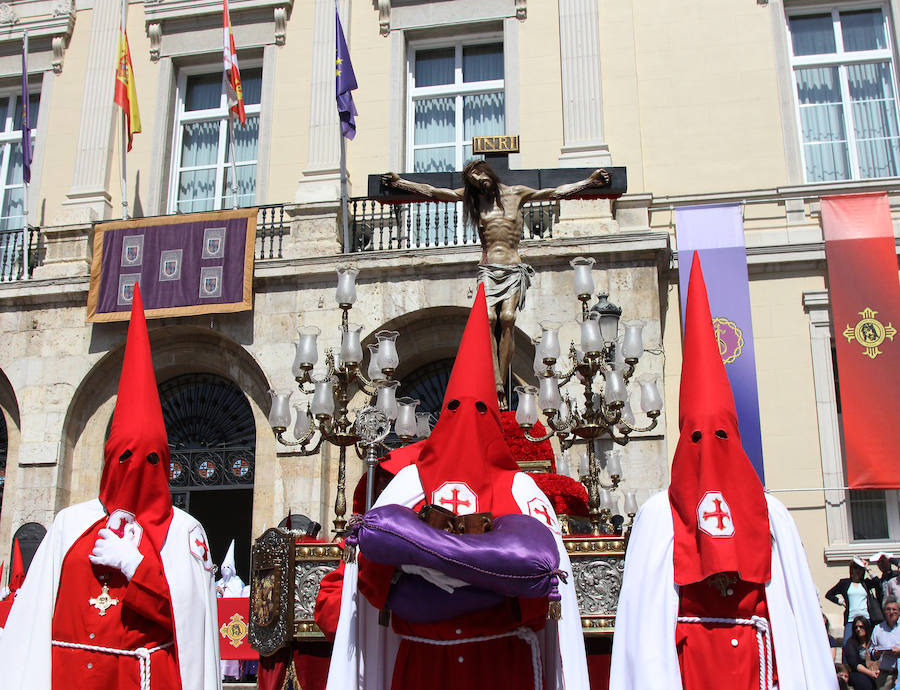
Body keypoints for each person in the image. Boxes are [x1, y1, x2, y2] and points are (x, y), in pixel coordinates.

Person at [325, 284, 589, 690]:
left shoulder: (521, 491)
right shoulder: (408, 485)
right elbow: (370, 577)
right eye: (455, 409)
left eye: (480, 410)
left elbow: (548, 587)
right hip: (422, 662)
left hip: (502, 664)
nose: (467, 421)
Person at [609, 252, 837, 690]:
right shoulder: (660, 516)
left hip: (761, 666)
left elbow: (795, 615)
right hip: (688, 668)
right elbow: (645, 625)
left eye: (719, 437)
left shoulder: (771, 515)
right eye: (696, 438)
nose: (708, 451)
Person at [0, 284, 220, 690]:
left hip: (145, 679)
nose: (137, 469)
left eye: (152, 459)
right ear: (106, 462)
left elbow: (191, 623)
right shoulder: (70, 524)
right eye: (125, 458)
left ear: (167, 466)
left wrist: (139, 568)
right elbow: (32, 619)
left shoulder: (185, 532)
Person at [381, 162, 609, 406]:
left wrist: (590, 182)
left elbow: (555, 192)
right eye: (472, 178)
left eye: (479, 173)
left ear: (488, 171)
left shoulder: (517, 193)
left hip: (512, 268)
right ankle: (497, 382)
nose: (478, 180)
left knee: (508, 318)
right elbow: (435, 192)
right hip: (489, 269)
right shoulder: (475, 200)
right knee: (489, 319)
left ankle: (502, 373)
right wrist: (400, 183)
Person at [827, 558, 879, 642]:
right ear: (851, 569)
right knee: (847, 644)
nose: (857, 571)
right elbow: (829, 594)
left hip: (865, 618)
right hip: (851, 619)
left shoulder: (865, 583)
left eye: (860, 568)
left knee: (869, 643)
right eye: (855, 568)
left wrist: (867, 568)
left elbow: (877, 582)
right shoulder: (844, 583)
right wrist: (841, 602)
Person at [217, 540, 245, 681]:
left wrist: (225, 594)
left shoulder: (237, 582)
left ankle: (232, 674)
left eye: (229, 566)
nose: (226, 569)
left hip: (233, 620)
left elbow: (237, 598)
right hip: (219, 620)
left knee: (232, 650)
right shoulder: (218, 583)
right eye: (224, 566)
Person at [871, 596, 900, 690]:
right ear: (884, 612)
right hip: (885, 674)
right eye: (888, 609)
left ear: (899, 611)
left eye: (894, 609)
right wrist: (875, 653)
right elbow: (871, 650)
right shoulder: (878, 629)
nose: (891, 612)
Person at [844, 615, 879, 689]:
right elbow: (854, 664)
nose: (858, 629)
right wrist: (870, 673)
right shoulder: (851, 643)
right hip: (858, 672)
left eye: (861, 626)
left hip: (875, 670)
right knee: (865, 684)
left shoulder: (873, 641)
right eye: (856, 627)